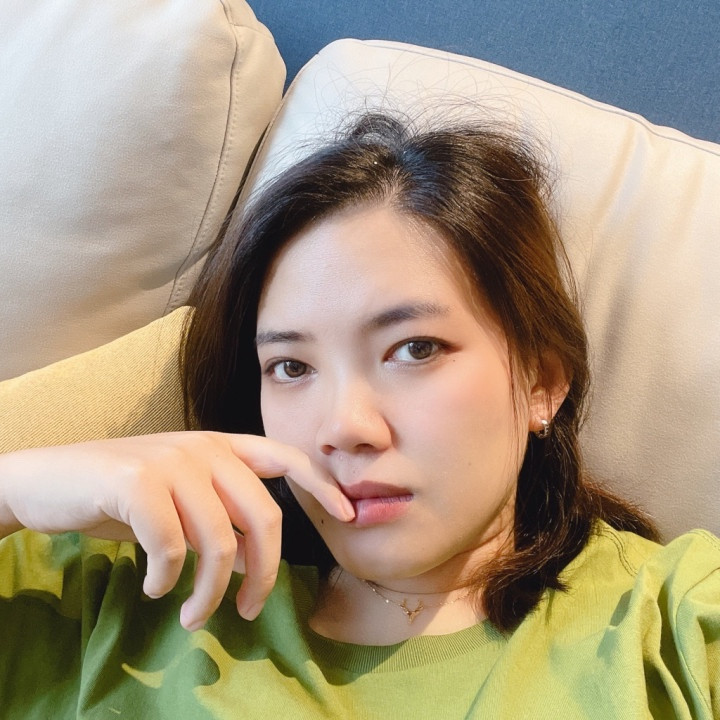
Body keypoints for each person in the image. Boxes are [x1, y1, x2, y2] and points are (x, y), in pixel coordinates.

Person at [0, 113, 718, 719]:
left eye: (415, 349)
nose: (344, 426)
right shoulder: (118, 584)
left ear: (543, 383)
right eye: (291, 366)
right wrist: (14, 485)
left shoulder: (673, 621)